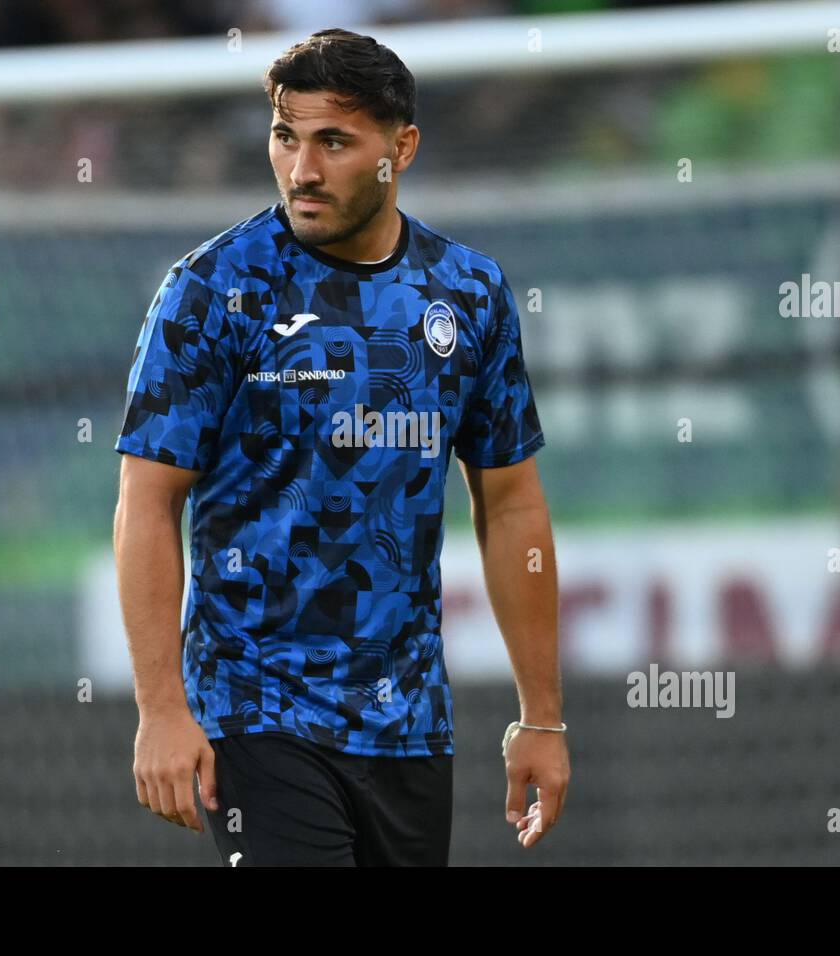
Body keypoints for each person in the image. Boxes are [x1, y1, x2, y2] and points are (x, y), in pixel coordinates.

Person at [112, 27, 568, 866]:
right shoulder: (212, 291)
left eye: (333, 142)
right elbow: (148, 500)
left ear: (403, 149)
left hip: (408, 723)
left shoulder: (467, 294)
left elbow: (512, 504)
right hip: (257, 712)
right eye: (286, 137)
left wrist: (540, 714)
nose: (302, 170)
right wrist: (161, 707)